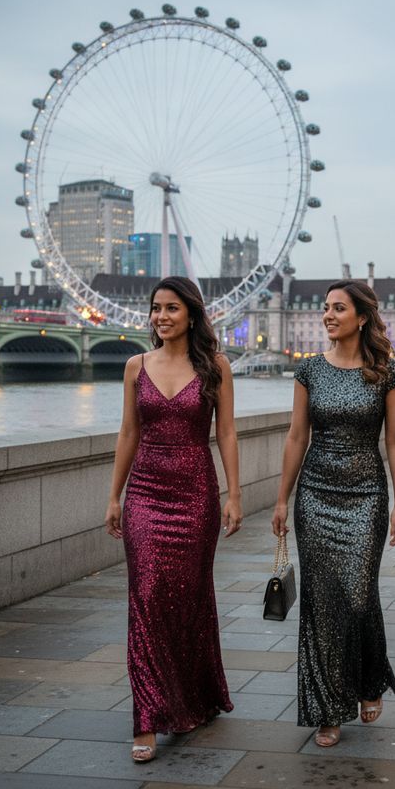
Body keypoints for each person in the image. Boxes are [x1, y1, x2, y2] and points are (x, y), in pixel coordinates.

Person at [105, 276, 242, 763]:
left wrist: (233, 494)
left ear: (191, 315)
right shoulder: (134, 366)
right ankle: (147, 716)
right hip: (144, 491)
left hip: (195, 492)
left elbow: (225, 433)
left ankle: (194, 695)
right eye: (156, 309)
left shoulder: (215, 367)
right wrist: (115, 495)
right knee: (145, 596)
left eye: (171, 309)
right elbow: (127, 432)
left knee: (188, 598)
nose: (161, 317)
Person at [271, 280, 395, 748]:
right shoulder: (309, 371)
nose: (327, 315)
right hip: (315, 493)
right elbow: (295, 437)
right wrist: (281, 499)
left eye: (338, 308)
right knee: (321, 602)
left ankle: (369, 677)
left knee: (357, 594)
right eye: (324, 307)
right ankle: (327, 706)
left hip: (367, 493)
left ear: (361, 317)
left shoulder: (386, 373)